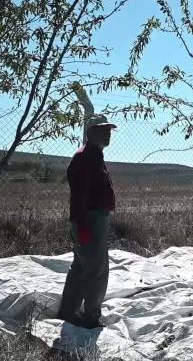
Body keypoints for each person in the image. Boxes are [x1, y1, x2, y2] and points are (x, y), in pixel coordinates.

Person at [57, 115, 116, 328]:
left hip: (91, 218)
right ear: (90, 133)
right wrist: (82, 224)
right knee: (96, 269)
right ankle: (91, 318)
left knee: (81, 267)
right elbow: (79, 194)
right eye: (103, 130)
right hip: (90, 219)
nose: (108, 134)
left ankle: (68, 312)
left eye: (109, 130)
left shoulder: (93, 155)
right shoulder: (86, 157)